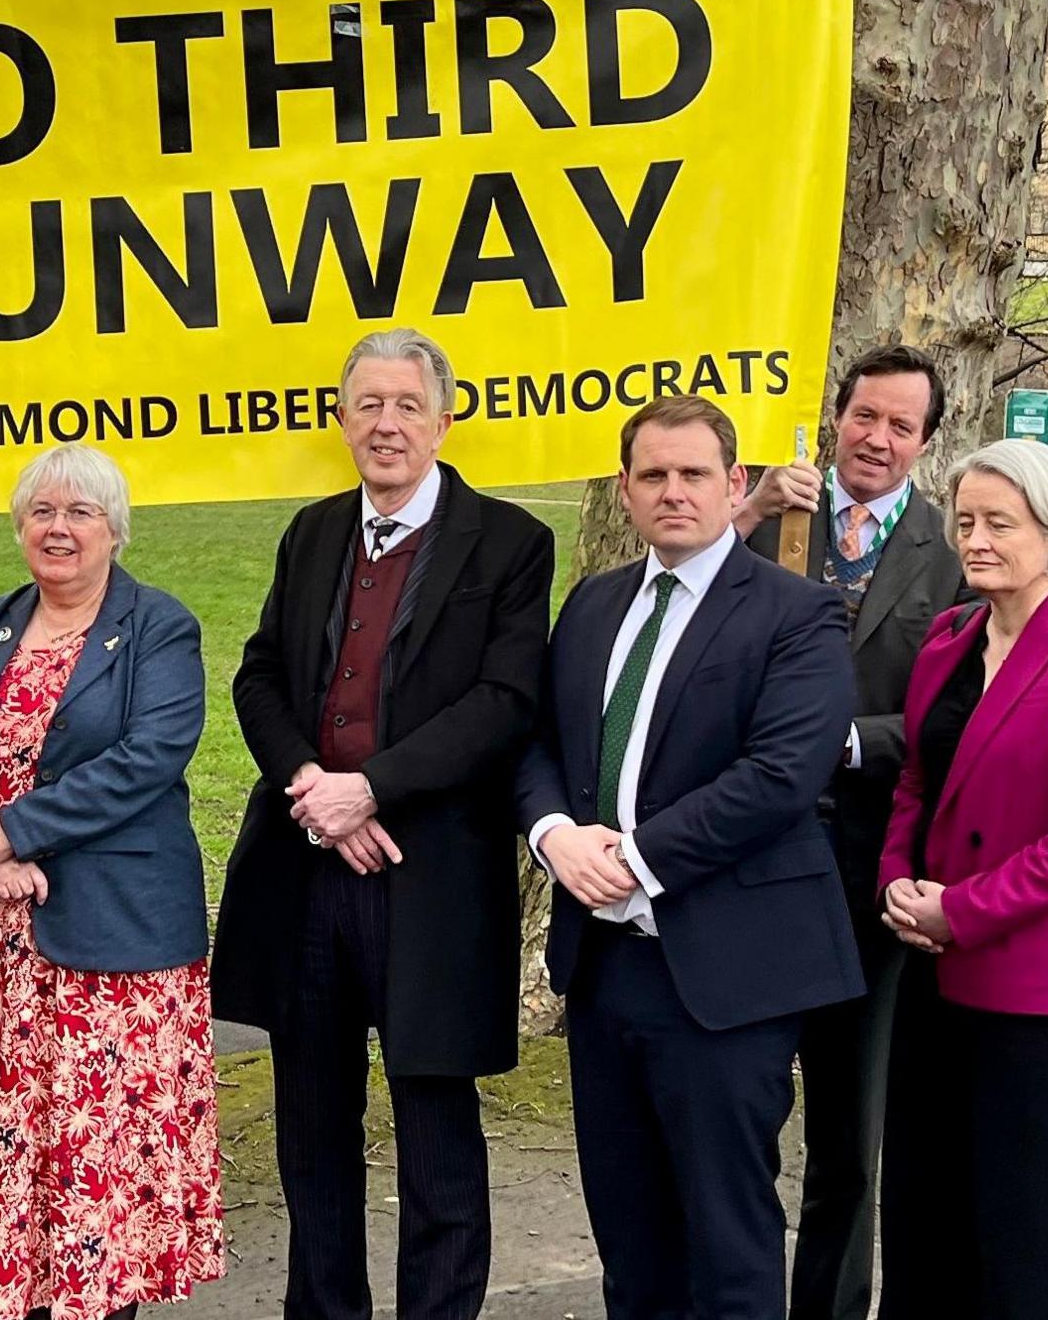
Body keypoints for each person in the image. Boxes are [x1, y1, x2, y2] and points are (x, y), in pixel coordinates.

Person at [208, 330, 555, 1320]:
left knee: (436, 1122)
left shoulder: (510, 542)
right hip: (307, 870)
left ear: (445, 418)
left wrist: (374, 789)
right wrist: (315, 784)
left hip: (432, 876)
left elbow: (503, 701)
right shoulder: (312, 532)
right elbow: (261, 674)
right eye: (368, 404)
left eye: (407, 403)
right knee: (312, 1127)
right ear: (342, 418)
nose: (386, 423)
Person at [515, 394, 861, 1320]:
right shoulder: (593, 604)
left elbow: (781, 777)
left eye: (694, 473)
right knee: (629, 1232)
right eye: (653, 475)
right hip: (604, 965)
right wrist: (555, 836)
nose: (674, 491)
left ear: (734, 484)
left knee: (727, 1234)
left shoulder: (798, 613)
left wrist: (632, 855)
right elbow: (540, 742)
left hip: (727, 970)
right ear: (625, 491)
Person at [0, 443, 227, 1320]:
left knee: (100, 1174)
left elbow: (149, 758)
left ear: (114, 530)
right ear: (20, 526)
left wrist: (16, 827)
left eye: (80, 512)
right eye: (42, 512)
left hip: (114, 946)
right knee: (13, 1163)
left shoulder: (160, 627)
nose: (59, 528)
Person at [874, 438, 1048, 1320]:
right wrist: (897, 882)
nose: (978, 539)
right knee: (926, 1222)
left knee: (1034, 1238)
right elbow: (918, 777)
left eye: (1001, 522)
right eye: (965, 521)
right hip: (935, 976)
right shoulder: (949, 640)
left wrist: (963, 910)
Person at [732, 344, 968, 1320]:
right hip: (749, 868)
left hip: (870, 876)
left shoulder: (950, 553)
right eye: (863, 416)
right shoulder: (767, 524)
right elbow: (680, 629)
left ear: (924, 441)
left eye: (899, 426)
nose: (876, 438)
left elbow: (954, 710)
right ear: (837, 416)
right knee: (736, 1116)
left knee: (847, 1138)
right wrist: (740, 519)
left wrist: (840, 741)